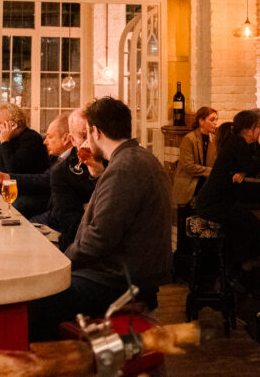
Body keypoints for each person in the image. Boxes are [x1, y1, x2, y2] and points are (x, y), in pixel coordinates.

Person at [29, 97, 172, 341]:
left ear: (95, 131)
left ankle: (59, 365)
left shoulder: (124, 168)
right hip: (133, 274)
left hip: (119, 281)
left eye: (86, 133)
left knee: (33, 303)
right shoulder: (141, 159)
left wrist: (62, 266)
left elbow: (99, 238)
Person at [194, 110, 260, 287]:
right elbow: (254, 168)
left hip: (216, 201)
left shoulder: (237, 143)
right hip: (212, 203)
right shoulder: (237, 143)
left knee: (245, 223)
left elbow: (246, 167)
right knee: (250, 224)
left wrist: (243, 170)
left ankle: (238, 271)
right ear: (250, 129)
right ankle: (242, 269)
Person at [32, 110, 104, 250]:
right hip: (77, 242)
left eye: (94, 134)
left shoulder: (113, 160)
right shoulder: (62, 171)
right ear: (72, 140)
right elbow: (70, 226)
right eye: (83, 136)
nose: (90, 142)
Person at [0, 103, 51, 218]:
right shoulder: (4, 140)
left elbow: (13, 170)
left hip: (31, 194)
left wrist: (4, 141)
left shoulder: (32, 139)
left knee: (9, 208)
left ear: (13, 124)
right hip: (13, 192)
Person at [171, 106, 219, 207]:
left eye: (216, 120)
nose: (215, 123)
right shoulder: (189, 139)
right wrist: (213, 172)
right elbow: (189, 166)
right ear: (201, 121)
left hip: (204, 181)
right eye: (212, 120)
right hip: (189, 183)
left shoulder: (214, 139)